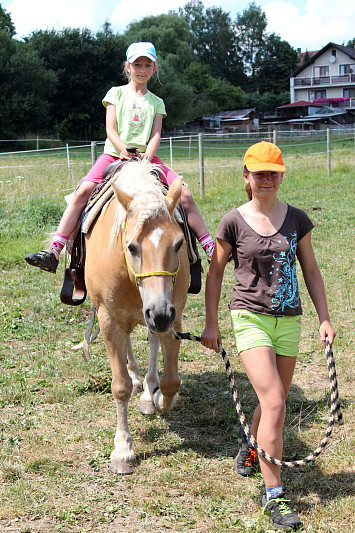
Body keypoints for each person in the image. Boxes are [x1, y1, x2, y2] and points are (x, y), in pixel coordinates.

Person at [201, 141, 336, 530]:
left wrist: (323, 318)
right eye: (259, 173)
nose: (266, 179)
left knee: (269, 399)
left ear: (281, 176)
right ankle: (274, 496)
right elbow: (215, 273)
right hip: (250, 317)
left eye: (273, 173)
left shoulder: (297, 219)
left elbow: (310, 270)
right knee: (276, 401)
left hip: (288, 320)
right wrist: (212, 323)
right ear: (246, 176)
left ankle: (251, 446)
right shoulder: (233, 221)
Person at [25, 42, 214, 273]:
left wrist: (148, 156)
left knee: (183, 192)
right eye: (137, 64)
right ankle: (55, 250)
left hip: (147, 158)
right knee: (83, 191)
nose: (142, 69)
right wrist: (123, 149)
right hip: (114, 154)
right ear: (127, 67)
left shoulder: (157, 102)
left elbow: (156, 134)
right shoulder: (116, 93)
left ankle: (208, 247)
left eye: (147, 65)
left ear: (154, 68)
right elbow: (110, 129)